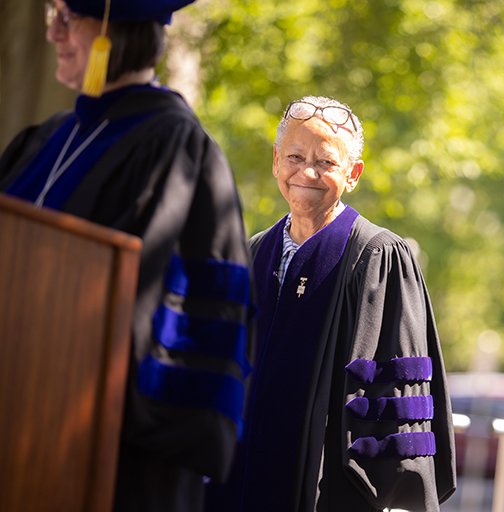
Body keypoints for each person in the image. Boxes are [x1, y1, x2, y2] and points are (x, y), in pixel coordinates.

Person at [0, 1, 253, 511]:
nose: (53, 33)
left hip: (104, 457)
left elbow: (179, 319)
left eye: (67, 17)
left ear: (112, 29)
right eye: (52, 15)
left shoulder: (176, 148)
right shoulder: (44, 140)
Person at [203, 96, 456, 512]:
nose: (307, 172)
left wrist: (390, 494)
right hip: (233, 480)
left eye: (326, 162)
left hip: (324, 490)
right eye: (295, 157)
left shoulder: (378, 258)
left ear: (353, 174)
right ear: (275, 161)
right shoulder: (251, 254)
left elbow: (397, 389)